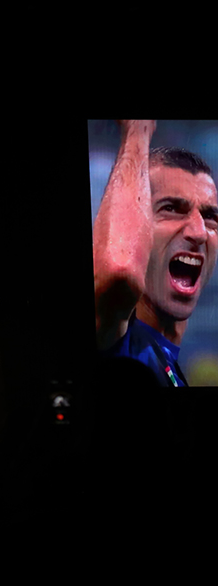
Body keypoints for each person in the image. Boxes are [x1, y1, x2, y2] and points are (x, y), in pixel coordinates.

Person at [94, 120, 218, 386]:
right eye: (171, 208)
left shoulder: (167, 360)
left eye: (210, 216)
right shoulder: (118, 339)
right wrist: (137, 131)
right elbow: (119, 271)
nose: (199, 232)